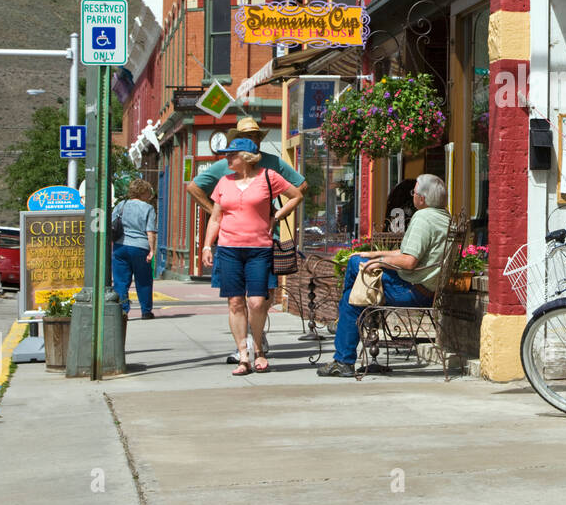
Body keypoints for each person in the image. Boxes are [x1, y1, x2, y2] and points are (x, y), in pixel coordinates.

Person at [188, 116, 306, 363]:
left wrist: (277, 212)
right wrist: (219, 215)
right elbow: (194, 188)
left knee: (262, 297)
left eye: (254, 135)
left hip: (264, 239)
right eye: (246, 136)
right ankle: (246, 347)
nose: (250, 139)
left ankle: (258, 337)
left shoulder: (272, 164)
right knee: (236, 299)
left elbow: (300, 187)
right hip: (232, 243)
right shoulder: (226, 167)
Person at [317, 174, 451, 378]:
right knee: (356, 280)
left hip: (412, 291)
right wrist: (374, 254)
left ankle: (343, 356)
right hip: (429, 290)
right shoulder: (443, 217)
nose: (412, 196)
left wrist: (379, 262)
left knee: (352, 291)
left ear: (421, 199)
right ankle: (348, 319)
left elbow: (409, 261)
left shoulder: (423, 218)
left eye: (413, 192)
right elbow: (410, 254)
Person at [112, 178, 158, 318]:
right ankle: (146, 311)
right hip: (140, 247)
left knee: (121, 281)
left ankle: (122, 310)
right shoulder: (148, 208)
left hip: (120, 246)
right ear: (143, 192)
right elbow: (150, 231)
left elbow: (112, 223)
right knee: (143, 280)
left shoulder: (122, 205)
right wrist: (152, 250)